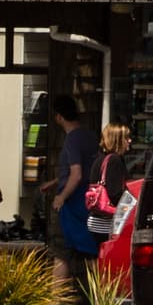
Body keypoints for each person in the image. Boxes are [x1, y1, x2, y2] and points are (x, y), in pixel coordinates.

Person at [49, 108, 104, 275]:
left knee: (61, 253)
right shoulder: (91, 137)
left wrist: (61, 197)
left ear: (59, 117)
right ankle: (101, 296)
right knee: (90, 253)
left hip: (72, 205)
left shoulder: (72, 139)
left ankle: (56, 300)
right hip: (89, 203)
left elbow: (76, 173)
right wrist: (55, 181)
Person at [87, 122, 139, 284]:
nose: (129, 141)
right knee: (111, 263)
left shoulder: (100, 159)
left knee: (100, 261)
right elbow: (116, 193)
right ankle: (105, 301)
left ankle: (99, 300)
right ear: (118, 139)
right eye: (126, 138)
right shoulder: (115, 160)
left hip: (96, 220)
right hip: (106, 222)